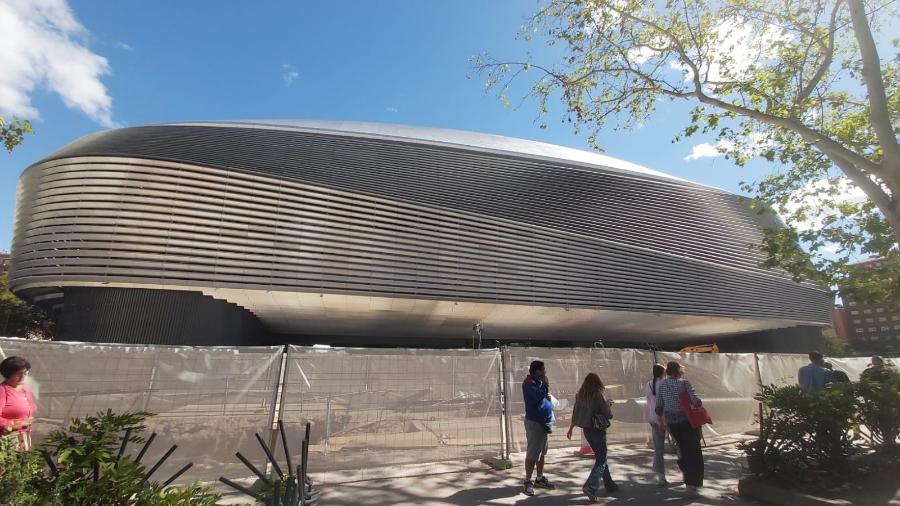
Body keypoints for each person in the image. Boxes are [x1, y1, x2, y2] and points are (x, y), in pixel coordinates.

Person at [566, 373, 619, 502]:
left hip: (587, 431)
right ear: (597, 382)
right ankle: (590, 486)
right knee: (601, 460)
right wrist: (608, 404)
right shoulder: (597, 395)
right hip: (598, 431)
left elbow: (575, 412)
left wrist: (571, 428)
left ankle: (609, 484)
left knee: (601, 457)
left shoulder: (580, 395)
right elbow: (607, 414)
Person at [655, 361, 704, 497]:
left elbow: (659, 406)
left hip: (672, 424)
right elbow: (696, 401)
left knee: (681, 448)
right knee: (693, 451)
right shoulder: (684, 383)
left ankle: (686, 476)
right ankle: (691, 485)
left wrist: (661, 421)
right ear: (678, 370)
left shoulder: (662, 384)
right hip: (687, 421)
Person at [521, 360, 555, 496]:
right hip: (535, 423)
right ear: (536, 371)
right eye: (543, 370)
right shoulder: (529, 384)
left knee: (541, 453)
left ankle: (539, 478)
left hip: (544, 422)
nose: (545, 372)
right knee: (532, 453)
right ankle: (527, 481)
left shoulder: (539, 382)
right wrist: (546, 384)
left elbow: (544, 396)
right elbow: (539, 395)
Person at [0, 356, 37, 451]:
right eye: (18, 374)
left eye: (25, 373)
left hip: (23, 437)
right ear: (8, 374)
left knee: (22, 465)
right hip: (7, 440)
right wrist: (19, 423)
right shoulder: (2, 390)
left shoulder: (24, 388)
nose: (23, 376)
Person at [644, 363, 668, 485]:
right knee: (680, 447)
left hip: (653, 417)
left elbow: (648, 402)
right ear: (663, 372)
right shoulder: (665, 383)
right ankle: (687, 476)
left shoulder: (648, 384)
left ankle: (661, 477)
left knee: (658, 449)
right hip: (666, 418)